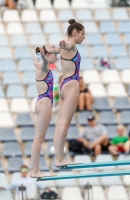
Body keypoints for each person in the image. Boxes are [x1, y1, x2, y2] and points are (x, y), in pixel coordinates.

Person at [45, 19, 85, 167]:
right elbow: (67, 45)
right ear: (75, 32)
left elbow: (55, 49)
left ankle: (58, 156)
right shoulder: (71, 46)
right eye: (82, 34)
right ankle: (59, 159)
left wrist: (50, 47)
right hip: (71, 85)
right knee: (65, 124)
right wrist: (64, 44)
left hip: (63, 85)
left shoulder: (64, 49)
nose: (84, 37)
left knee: (61, 123)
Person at [30, 46, 57, 178]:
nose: (56, 57)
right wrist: (42, 55)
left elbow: (38, 63)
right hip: (44, 102)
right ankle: (34, 170)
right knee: (39, 139)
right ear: (47, 56)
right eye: (54, 55)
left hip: (42, 101)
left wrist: (36, 60)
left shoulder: (40, 66)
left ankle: (34, 169)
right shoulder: (45, 65)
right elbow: (45, 62)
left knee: (39, 138)